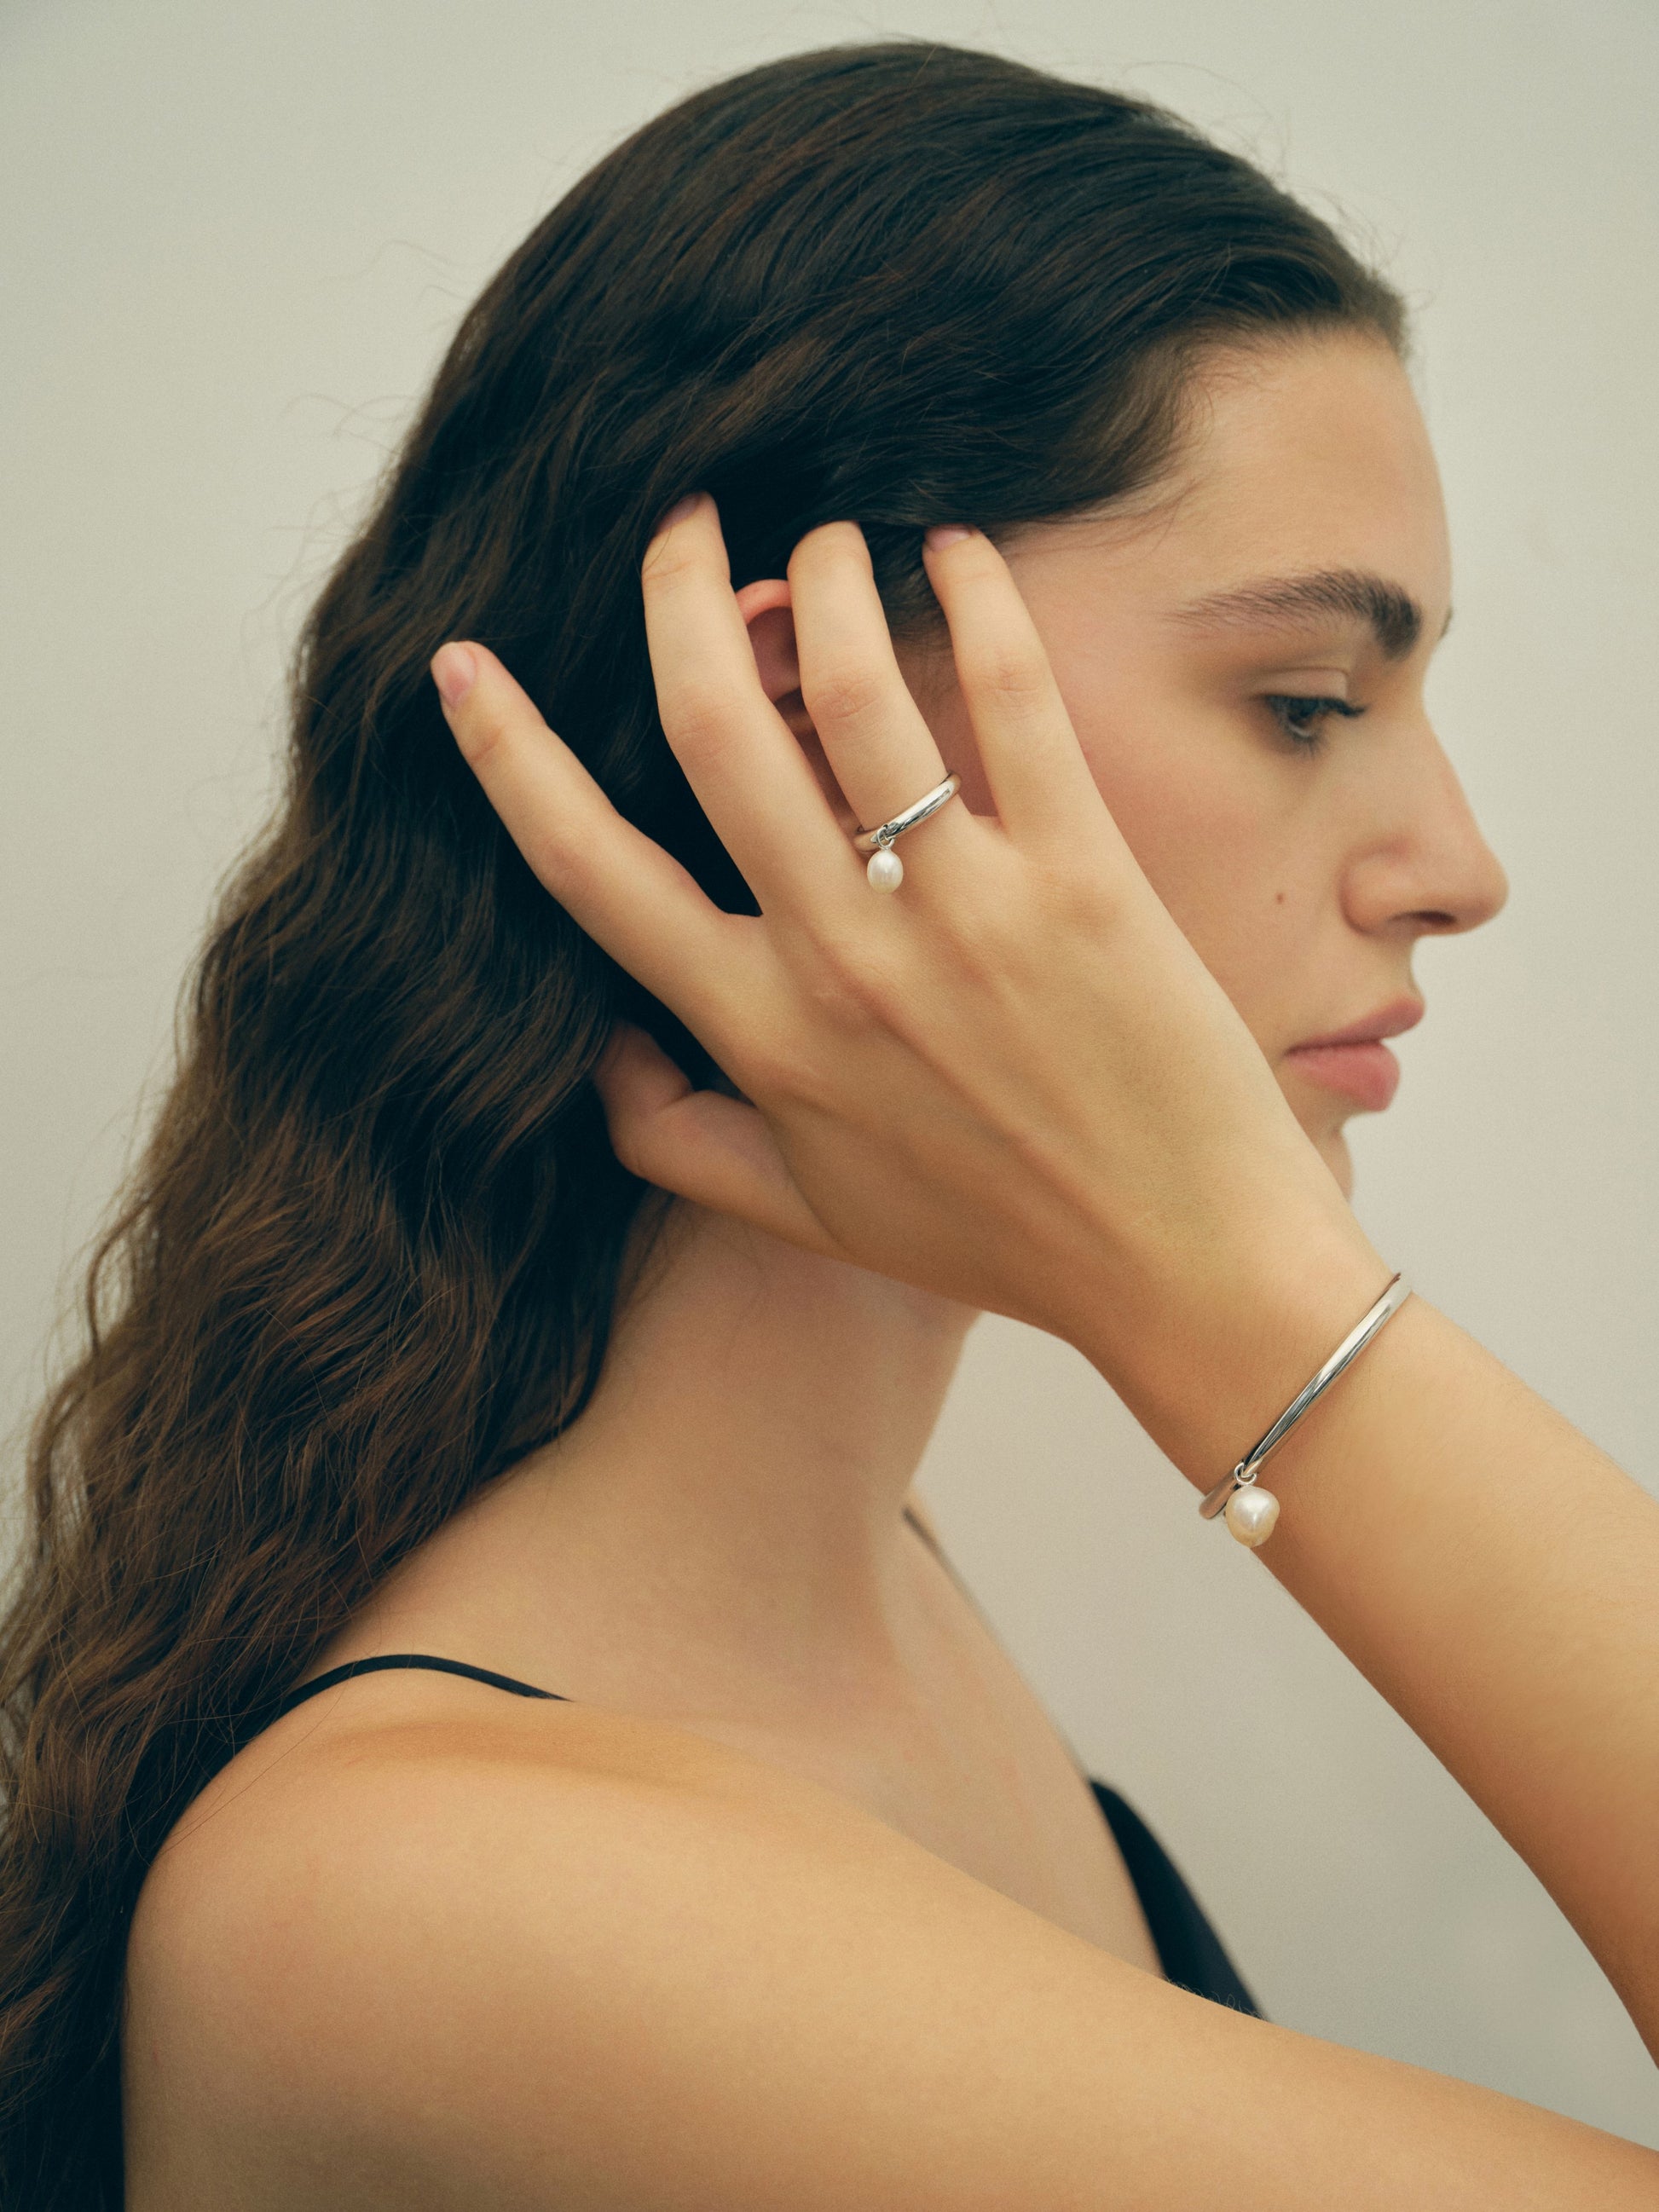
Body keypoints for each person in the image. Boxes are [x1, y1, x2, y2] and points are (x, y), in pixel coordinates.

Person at [2, 36, 1655, 2209]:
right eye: (1306, 704)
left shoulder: (867, 1579)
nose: (1452, 860)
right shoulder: (420, 1894)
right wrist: (1241, 1303)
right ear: (804, 720)